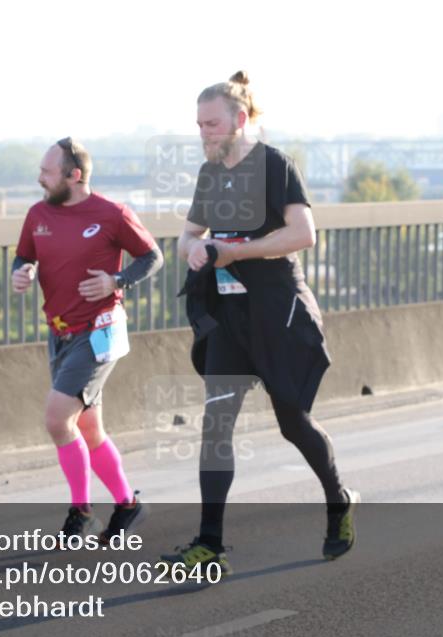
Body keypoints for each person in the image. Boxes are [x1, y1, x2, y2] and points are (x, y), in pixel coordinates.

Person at [161, 72, 359, 574]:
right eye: (199, 124)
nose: (204, 132)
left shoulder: (274, 165)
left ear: (240, 120)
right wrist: (197, 252)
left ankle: (337, 502)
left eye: (212, 123)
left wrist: (236, 251)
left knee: (293, 423)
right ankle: (209, 544)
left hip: (277, 313)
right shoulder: (211, 175)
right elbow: (185, 238)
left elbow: (304, 233)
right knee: (216, 425)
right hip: (230, 318)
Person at [13, 137, 163, 544]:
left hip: (98, 331)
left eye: (47, 172)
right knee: (89, 428)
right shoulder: (37, 214)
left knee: (57, 419)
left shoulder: (112, 214)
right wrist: (21, 272)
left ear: (73, 175)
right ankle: (128, 506)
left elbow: (152, 257)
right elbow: (24, 255)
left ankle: (81, 513)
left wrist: (118, 280)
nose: (40, 179)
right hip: (59, 331)